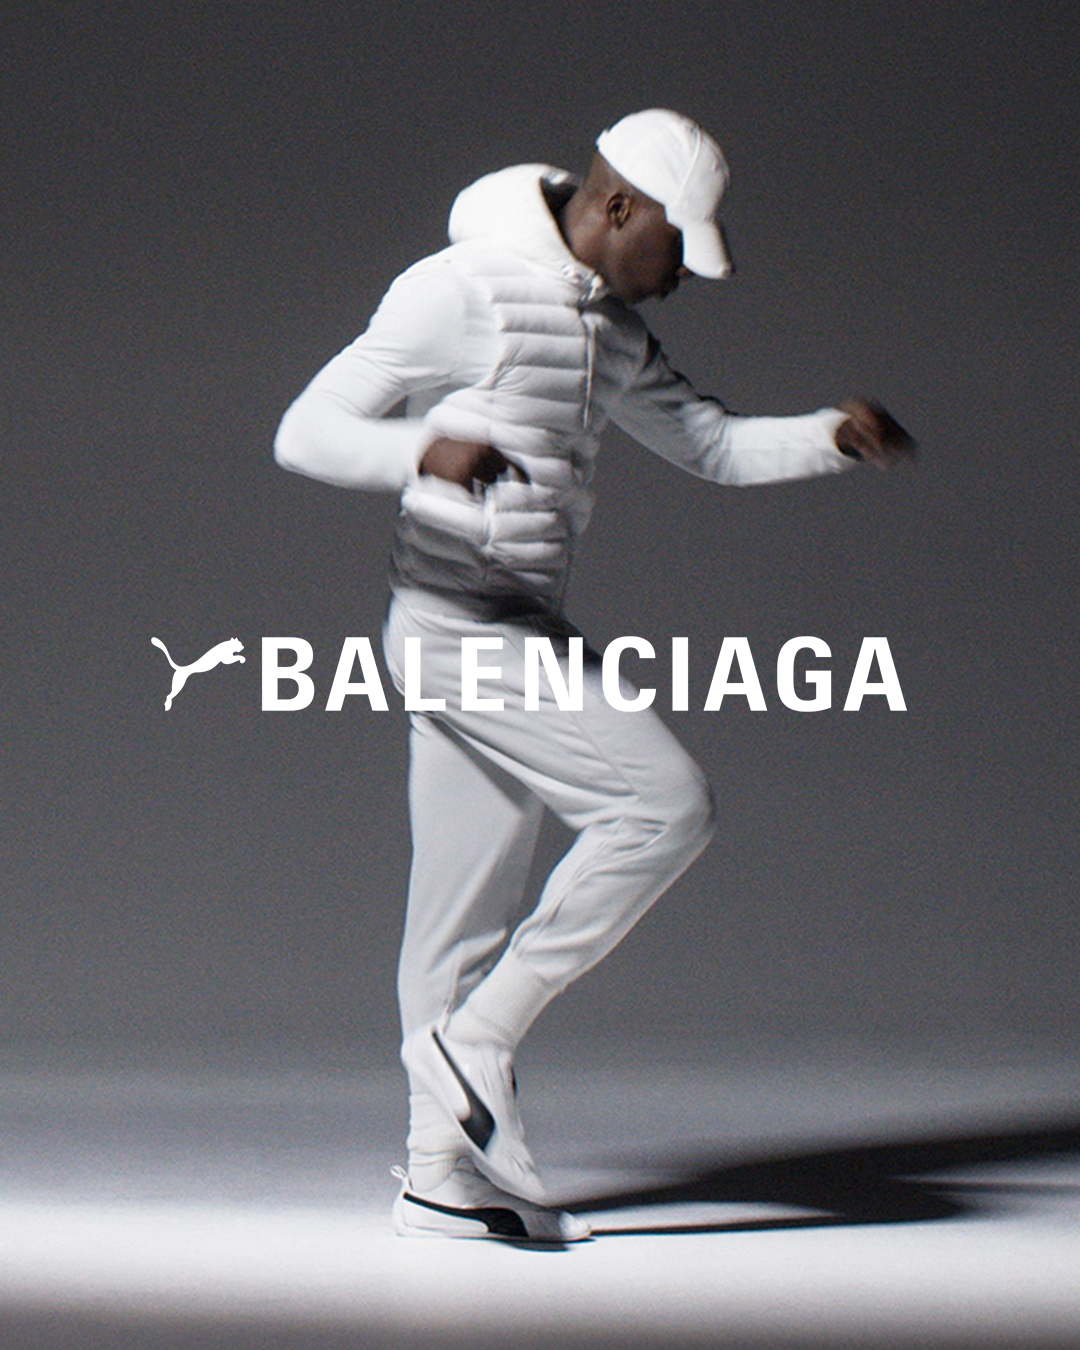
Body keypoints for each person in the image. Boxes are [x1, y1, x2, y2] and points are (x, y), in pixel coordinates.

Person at [274, 108, 915, 1243]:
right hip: (453, 627)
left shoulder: (613, 332)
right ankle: (477, 1042)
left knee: (457, 920)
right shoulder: (458, 290)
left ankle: (440, 1178)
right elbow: (305, 431)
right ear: (616, 206)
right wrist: (421, 451)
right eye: (673, 246)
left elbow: (710, 444)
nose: (681, 276)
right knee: (665, 807)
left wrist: (829, 436)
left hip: (514, 622)